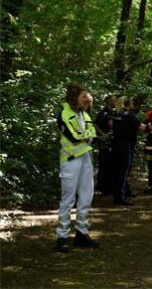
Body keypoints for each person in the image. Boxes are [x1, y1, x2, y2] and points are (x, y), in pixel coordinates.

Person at [55, 83, 99, 253]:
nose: (88, 100)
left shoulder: (85, 114)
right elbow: (73, 137)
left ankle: (82, 233)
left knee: (87, 197)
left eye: (88, 97)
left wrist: (87, 136)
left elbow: (92, 137)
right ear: (75, 98)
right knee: (68, 199)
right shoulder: (64, 114)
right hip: (70, 160)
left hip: (86, 158)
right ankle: (62, 236)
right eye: (84, 97)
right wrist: (87, 136)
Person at [111, 96, 145, 205]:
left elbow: (110, 125)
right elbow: (141, 127)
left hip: (115, 144)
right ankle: (120, 197)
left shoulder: (115, 115)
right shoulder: (130, 116)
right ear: (128, 104)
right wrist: (148, 126)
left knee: (116, 171)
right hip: (125, 145)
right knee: (123, 171)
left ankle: (117, 195)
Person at [94, 95, 117, 195]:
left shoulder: (113, 112)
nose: (116, 101)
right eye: (114, 100)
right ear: (108, 101)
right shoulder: (104, 112)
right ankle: (102, 186)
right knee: (104, 163)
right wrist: (103, 134)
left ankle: (109, 185)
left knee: (110, 163)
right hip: (104, 142)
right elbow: (95, 124)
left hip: (112, 141)